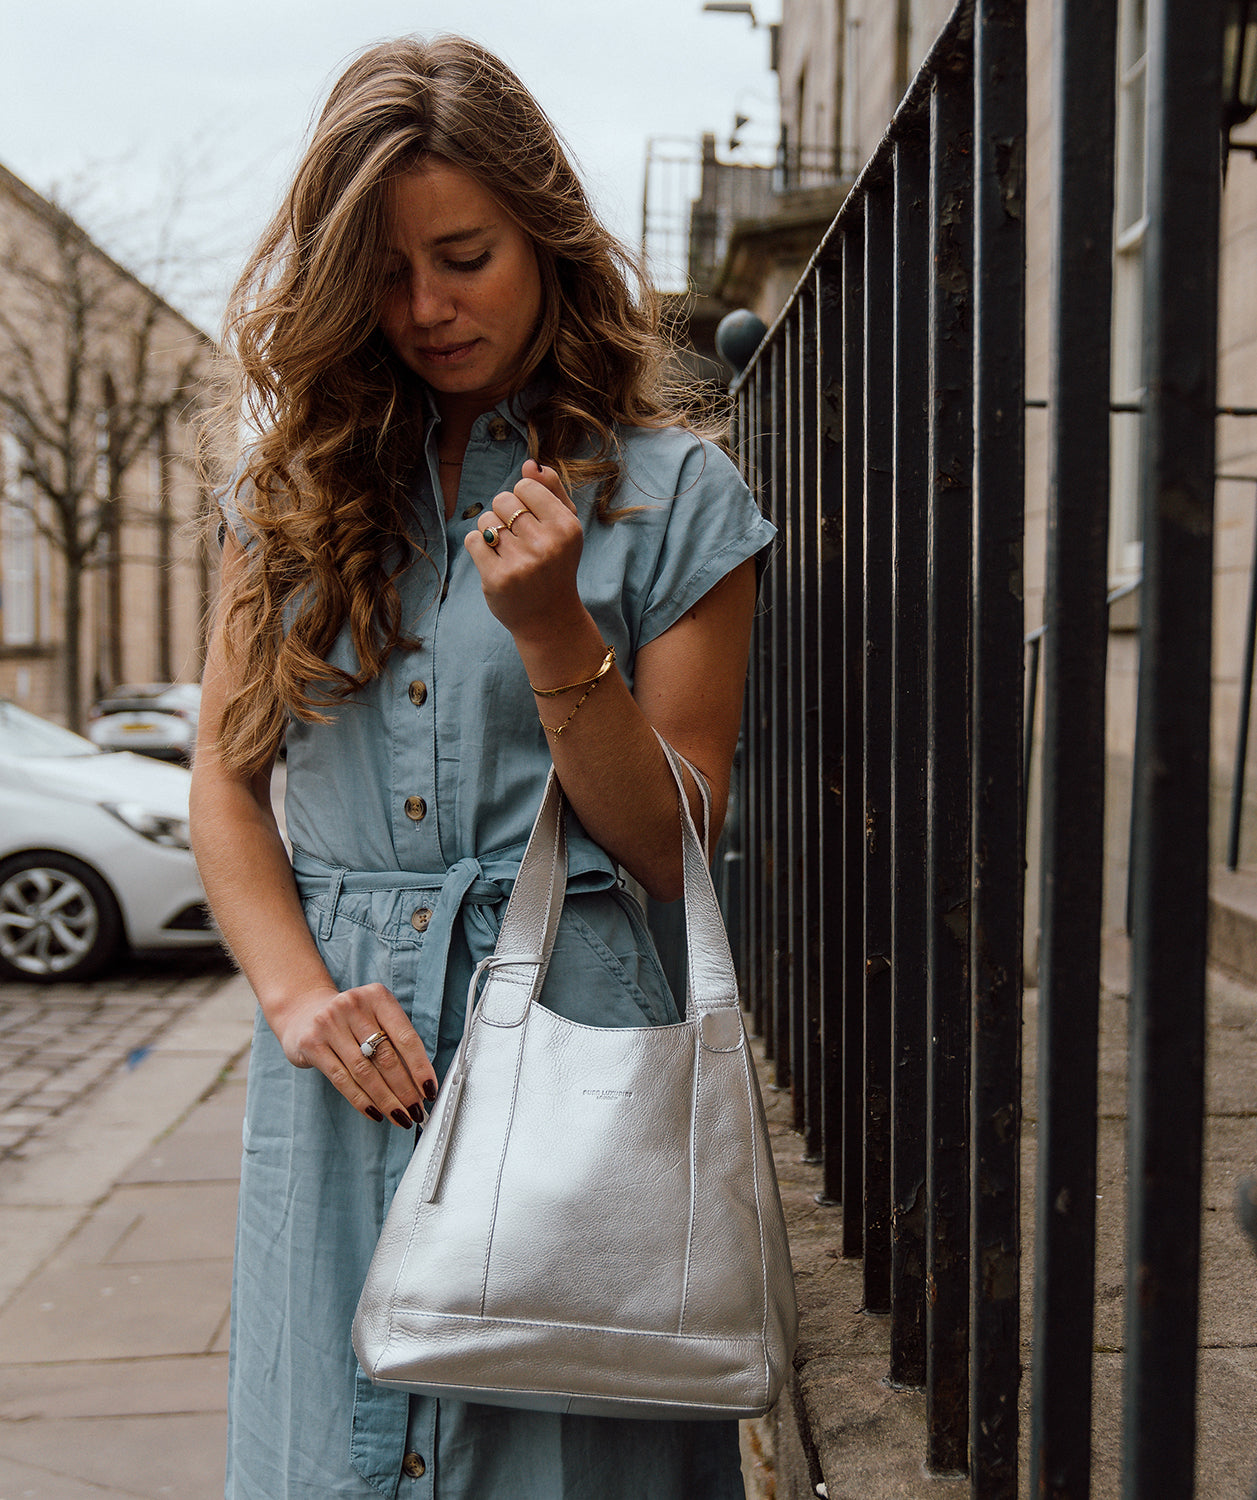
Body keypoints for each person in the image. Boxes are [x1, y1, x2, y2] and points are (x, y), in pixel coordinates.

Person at [190, 32, 775, 1500]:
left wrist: (553, 634)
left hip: (575, 1072)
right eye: (384, 276)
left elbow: (673, 842)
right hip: (341, 1068)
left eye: (464, 256)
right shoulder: (293, 497)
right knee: (334, 1451)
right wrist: (296, 995)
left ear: (546, 238)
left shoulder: (670, 495)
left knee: (562, 1455)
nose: (427, 309)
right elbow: (227, 783)